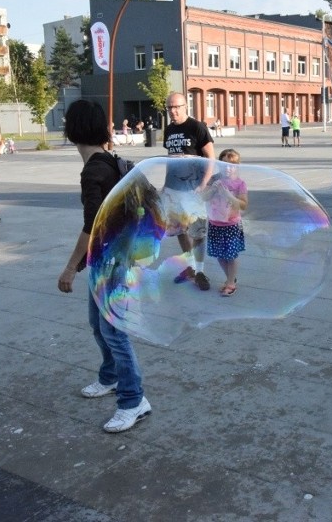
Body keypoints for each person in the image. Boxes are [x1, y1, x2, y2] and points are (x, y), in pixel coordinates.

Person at [57, 99, 152, 433]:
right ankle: (110, 377)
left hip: (114, 262)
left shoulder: (95, 170)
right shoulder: (111, 161)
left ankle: (133, 400)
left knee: (114, 331)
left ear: (73, 130)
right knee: (99, 325)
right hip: (110, 257)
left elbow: (92, 226)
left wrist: (70, 268)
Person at [162, 91, 216, 291]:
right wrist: (165, 185)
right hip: (174, 189)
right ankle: (190, 267)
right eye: (169, 107)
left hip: (193, 189)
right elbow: (170, 158)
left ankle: (200, 271)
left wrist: (204, 183)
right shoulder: (168, 130)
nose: (173, 111)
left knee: (197, 231)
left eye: (176, 107)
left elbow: (210, 156)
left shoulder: (197, 127)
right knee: (179, 230)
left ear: (185, 106)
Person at [205, 149, 248, 296]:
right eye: (224, 164)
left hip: (231, 224)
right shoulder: (214, 180)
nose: (228, 168)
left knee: (231, 255)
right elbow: (204, 197)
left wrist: (227, 194)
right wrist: (213, 190)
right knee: (219, 255)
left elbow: (242, 205)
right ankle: (231, 278)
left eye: (232, 165)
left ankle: (230, 283)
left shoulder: (240, 184)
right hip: (215, 223)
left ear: (237, 166)